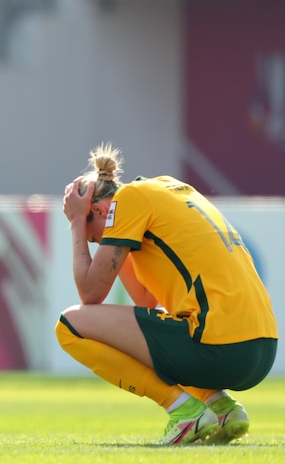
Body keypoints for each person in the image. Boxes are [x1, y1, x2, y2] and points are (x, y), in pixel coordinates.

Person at [57, 143, 278, 445]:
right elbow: (146, 301)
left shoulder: (129, 200)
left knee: (69, 326)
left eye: (96, 238)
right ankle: (221, 407)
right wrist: (117, 234)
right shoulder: (165, 186)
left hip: (221, 349)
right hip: (262, 350)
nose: (98, 245)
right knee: (167, 328)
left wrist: (76, 225)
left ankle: (183, 411)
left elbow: (90, 293)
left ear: (97, 211)